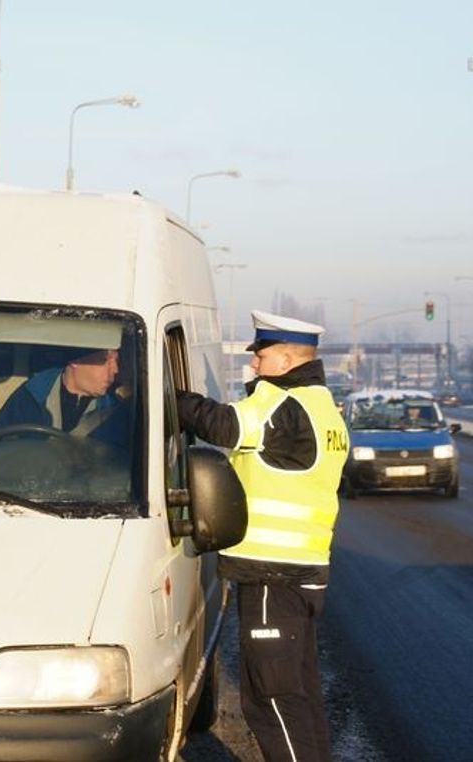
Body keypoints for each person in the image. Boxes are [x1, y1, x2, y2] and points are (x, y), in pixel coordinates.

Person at [175, 309, 349, 762]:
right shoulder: (323, 407)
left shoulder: (281, 404)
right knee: (300, 696)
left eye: (262, 355)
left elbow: (222, 426)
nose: (253, 364)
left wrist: (166, 395)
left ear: (288, 360)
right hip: (304, 570)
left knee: (271, 700)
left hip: (274, 573)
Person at [0, 346, 129, 446]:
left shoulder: (115, 413)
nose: (115, 369)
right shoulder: (30, 396)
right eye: (104, 360)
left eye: (116, 360)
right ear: (76, 361)